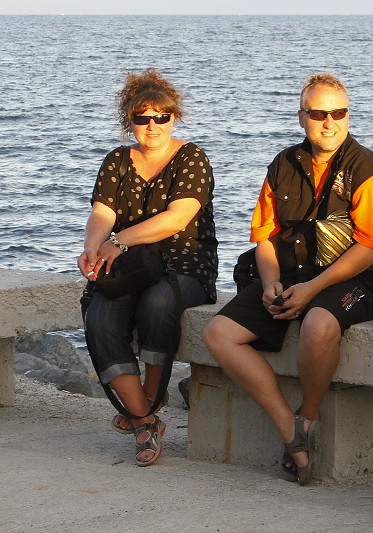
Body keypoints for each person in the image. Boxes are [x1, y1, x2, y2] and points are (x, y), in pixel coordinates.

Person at [203, 72, 373, 486]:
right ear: (301, 117)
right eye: (318, 114)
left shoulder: (368, 171)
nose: (329, 123)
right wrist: (270, 282)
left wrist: (312, 290)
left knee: (318, 324)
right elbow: (264, 237)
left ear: (348, 116)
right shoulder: (283, 164)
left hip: (357, 278)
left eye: (338, 113)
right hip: (292, 272)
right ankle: (288, 427)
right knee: (219, 334)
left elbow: (372, 248)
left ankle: (307, 417)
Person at [78, 68, 218, 467]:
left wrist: (120, 240)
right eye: (142, 117)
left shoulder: (191, 158)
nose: (152, 125)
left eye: (161, 116)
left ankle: (151, 396)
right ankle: (144, 418)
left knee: (157, 303)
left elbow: (178, 218)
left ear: (174, 117)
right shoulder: (116, 161)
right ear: (130, 120)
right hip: (131, 267)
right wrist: (92, 248)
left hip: (183, 265)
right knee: (100, 317)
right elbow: (103, 212)